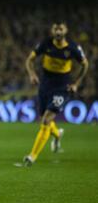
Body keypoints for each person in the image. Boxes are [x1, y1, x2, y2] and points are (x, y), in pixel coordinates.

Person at [24, 22, 89, 166]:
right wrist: (32, 75)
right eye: (55, 28)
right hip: (45, 85)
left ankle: (32, 156)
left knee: (46, 120)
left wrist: (76, 83)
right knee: (44, 117)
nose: (58, 31)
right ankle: (58, 134)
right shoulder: (45, 44)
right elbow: (29, 60)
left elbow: (85, 64)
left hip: (62, 87)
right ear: (52, 30)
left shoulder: (73, 47)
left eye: (61, 28)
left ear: (66, 30)